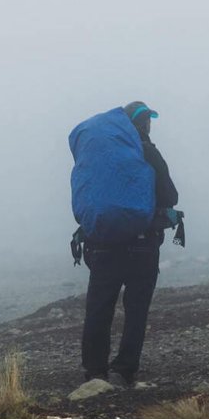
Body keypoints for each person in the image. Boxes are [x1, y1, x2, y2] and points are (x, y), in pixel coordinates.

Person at [79, 101, 180, 386]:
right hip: (142, 244)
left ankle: (95, 371)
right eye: (148, 120)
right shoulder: (147, 152)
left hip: (101, 244)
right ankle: (125, 369)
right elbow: (170, 196)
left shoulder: (99, 156)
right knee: (136, 310)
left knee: (99, 307)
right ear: (143, 124)